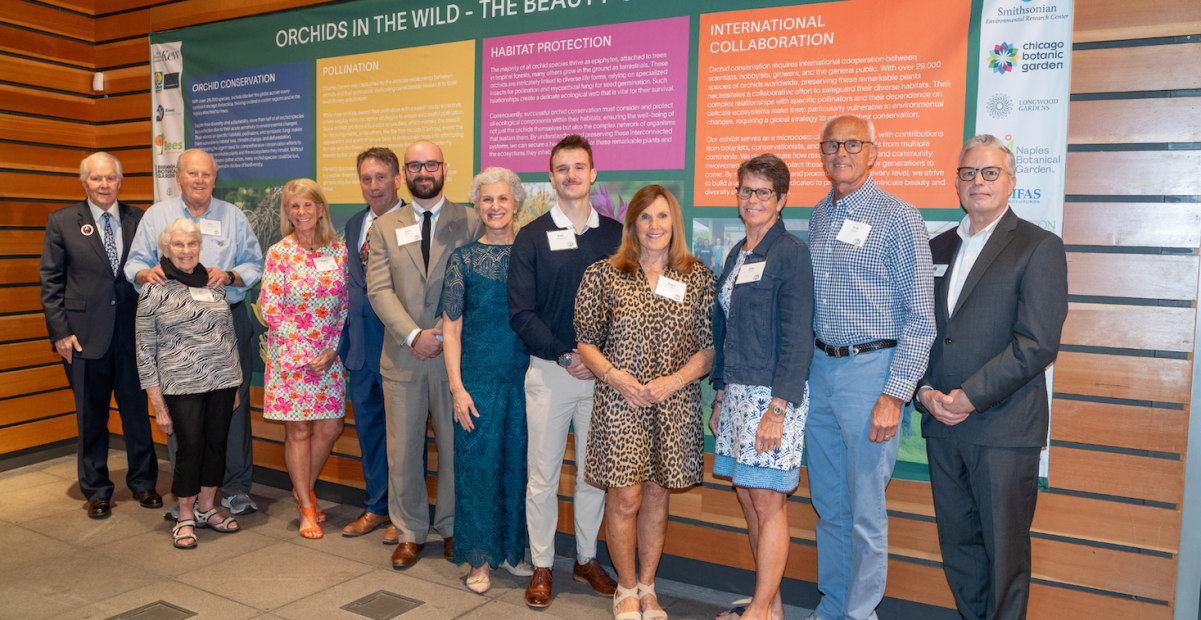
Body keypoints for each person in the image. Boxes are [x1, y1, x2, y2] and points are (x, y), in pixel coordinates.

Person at [916, 135, 1068, 620]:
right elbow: (918, 328)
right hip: (942, 424)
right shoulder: (936, 245)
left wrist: (970, 397)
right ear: (956, 181)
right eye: (968, 173)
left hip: (1003, 429)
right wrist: (923, 392)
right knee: (959, 550)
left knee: (1004, 559)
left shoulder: (1038, 246)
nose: (977, 182)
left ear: (1011, 182)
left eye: (989, 173)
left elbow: (1037, 342)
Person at [805, 114, 936, 620]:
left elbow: (920, 317)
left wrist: (895, 393)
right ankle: (832, 606)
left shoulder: (900, 216)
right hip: (821, 370)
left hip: (871, 374)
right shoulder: (818, 215)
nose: (842, 152)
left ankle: (859, 613)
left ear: (873, 152)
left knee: (865, 511)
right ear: (821, 153)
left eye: (853, 143)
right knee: (830, 507)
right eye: (832, 144)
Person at [575, 185, 716, 620]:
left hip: (674, 403)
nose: (654, 226)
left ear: (674, 222)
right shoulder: (604, 274)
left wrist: (673, 382)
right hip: (621, 402)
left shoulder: (698, 277)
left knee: (657, 495)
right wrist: (617, 378)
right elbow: (585, 340)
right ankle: (626, 588)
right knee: (625, 499)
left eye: (662, 217)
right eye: (645, 217)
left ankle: (649, 587)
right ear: (632, 224)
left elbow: (709, 348)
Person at [508, 134, 622, 607]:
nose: (571, 175)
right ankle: (541, 563)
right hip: (552, 372)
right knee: (544, 474)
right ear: (551, 177)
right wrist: (566, 355)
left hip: (604, 377)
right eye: (562, 168)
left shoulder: (617, 235)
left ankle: (585, 558)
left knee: (594, 475)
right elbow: (521, 312)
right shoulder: (531, 235)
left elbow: (629, 305)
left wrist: (600, 362)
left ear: (593, 174)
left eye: (579, 167)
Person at [124, 148, 264, 519]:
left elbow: (254, 262)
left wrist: (232, 276)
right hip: (175, 331)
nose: (199, 180)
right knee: (180, 417)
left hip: (226, 321)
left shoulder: (232, 216)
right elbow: (135, 262)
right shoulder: (157, 216)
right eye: (192, 174)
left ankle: (234, 489)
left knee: (231, 411)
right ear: (179, 177)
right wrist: (144, 275)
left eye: (206, 174)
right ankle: (185, 496)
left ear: (214, 179)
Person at [367, 139, 483, 567]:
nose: (423, 172)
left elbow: (480, 289)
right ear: (405, 174)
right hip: (403, 355)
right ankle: (411, 531)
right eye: (414, 166)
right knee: (403, 452)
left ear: (444, 168)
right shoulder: (383, 226)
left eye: (430, 164)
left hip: (455, 358)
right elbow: (379, 290)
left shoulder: (470, 221)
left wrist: (443, 335)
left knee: (456, 449)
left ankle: (452, 527)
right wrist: (415, 334)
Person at [709, 155, 814, 620]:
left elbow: (797, 336)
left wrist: (778, 409)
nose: (752, 200)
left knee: (769, 502)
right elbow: (724, 329)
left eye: (763, 192)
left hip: (772, 398)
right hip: (736, 395)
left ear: (782, 200)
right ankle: (769, 607)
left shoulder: (790, 252)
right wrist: (718, 394)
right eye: (745, 191)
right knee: (749, 496)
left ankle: (757, 613)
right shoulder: (738, 253)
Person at [39, 152, 161, 519]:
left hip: (132, 334)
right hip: (83, 336)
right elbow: (51, 281)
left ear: (121, 181)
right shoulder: (61, 221)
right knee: (91, 416)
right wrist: (60, 332)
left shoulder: (140, 218)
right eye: (97, 179)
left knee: (137, 414)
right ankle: (97, 489)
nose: (104, 185)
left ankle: (144, 483)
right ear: (84, 182)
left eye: (111, 178)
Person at [441, 167, 537, 594]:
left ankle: (513, 552)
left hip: (526, 379)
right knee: (477, 467)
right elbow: (451, 329)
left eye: (503, 199)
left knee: (520, 466)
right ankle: (480, 558)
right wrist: (456, 388)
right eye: (486, 200)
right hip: (476, 381)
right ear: (476, 206)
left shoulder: (532, 254)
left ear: (517, 204)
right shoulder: (461, 259)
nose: (495, 207)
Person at [135, 218, 243, 548]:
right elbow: (143, 347)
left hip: (223, 382)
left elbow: (229, 334)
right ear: (165, 249)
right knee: (190, 448)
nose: (186, 250)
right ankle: (185, 514)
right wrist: (157, 403)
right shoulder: (154, 289)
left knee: (216, 445)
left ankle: (208, 508)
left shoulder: (215, 285)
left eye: (192, 243)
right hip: (181, 385)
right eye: (178, 245)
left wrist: (235, 383)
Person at [259, 179, 349, 539]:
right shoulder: (279, 253)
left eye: (307, 205)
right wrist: (306, 351)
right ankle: (307, 508)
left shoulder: (339, 252)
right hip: (291, 356)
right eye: (294, 207)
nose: (301, 213)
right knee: (298, 430)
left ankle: (302, 489)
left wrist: (332, 349)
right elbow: (270, 307)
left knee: (330, 428)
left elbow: (345, 304)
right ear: (287, 212)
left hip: (330, 355)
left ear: (321, 209)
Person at [339, 148, 406, 539]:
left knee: (405, 435)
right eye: (366, 178)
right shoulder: (352, 225)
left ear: (398, 179)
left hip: (400, 349)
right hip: (362, 351)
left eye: (381, 177)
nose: (374, 185)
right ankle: (376, 507)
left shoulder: (414, 223)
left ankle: (403, 514)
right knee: (370, 433)